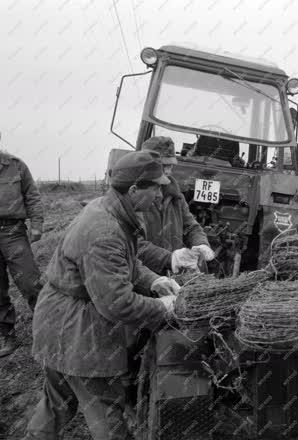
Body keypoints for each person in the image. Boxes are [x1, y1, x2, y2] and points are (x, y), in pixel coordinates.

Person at [25, 151, 181, 440]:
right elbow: (117, 303)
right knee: (107, 417)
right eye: (156, 186)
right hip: (76, 333)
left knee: (56, 404)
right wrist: (163, 308)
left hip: (58, 322)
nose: (161, 192)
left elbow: (126, 261)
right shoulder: (104, 231)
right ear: (135, 190)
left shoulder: (108, 209)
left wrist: (155, 280)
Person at [137, 136, 216, 275]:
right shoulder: (134, 197)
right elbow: (133, 244)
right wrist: (169, 258)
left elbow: (190, 226)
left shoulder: (174, 195)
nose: (168, 171)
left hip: (171, 276)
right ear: (147, 164)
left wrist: (200, 243)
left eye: (170, 165)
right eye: (163, 165)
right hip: (142, 277)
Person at [0, 134, 44, 357]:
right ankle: (7, 335)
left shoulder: (16, 166)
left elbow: (32, 196)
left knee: (30, 282)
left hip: (12, 232)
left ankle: (46, 329)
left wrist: (37, 224)